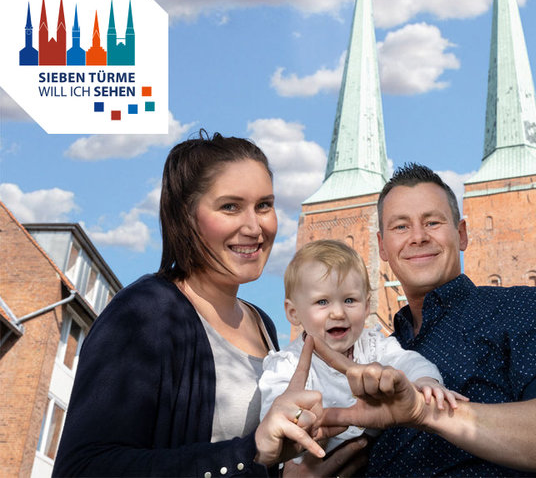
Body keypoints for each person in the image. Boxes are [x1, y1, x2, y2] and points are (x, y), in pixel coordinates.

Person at [52, 131, 334, 477]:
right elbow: (82, 469)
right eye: (230, 206)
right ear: (186, 217)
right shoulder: (145, 313)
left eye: (264, 205)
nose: (254, 226)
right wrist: (250, 451)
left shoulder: (262, 322)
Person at [314, 163, 536, 476]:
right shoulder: (376, 353)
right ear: (383, 247)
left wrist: (427, 411)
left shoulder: (518, 307)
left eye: (433, 222)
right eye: (400, 227)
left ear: (462, 234)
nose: (418, 237)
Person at [259, 239, 465, 462]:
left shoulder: (374, 345)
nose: (338, 312)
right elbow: (274, 413)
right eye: (322, 302)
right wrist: (293, 420)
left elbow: (406, 360)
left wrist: (426, 381)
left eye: (349, 300)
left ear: (367, 306)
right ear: (293, 312)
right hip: (313, 461)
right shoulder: (286, 363)